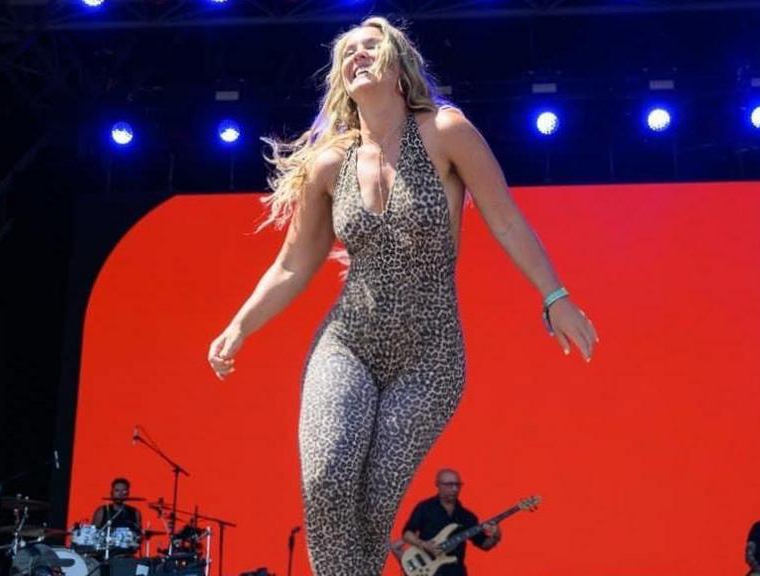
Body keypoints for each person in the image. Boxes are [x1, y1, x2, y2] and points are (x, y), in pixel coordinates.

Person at [207, 16, 597, 576]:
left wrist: (554, 294)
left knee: (372, 501)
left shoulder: (445, 130)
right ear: (340, 77)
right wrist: (240, 326)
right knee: (326, 477)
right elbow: (294, 263)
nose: (358, 56)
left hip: (430, 356)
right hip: (348, 344)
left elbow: (505, 220)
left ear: (399, 65)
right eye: (348, 52)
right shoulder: (330, 164)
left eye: (371, 46)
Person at [401, 469, 500, 576]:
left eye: (458, 485)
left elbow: (484, 544)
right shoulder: (425, 508)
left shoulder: (467, 516)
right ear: (437, 485)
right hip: (428, 570)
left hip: (456, 572)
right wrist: (424, 544)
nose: (455, 489)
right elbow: (407, 533)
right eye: (449, 485)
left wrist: (496, 535)